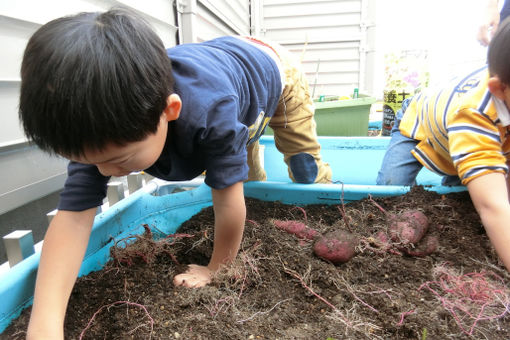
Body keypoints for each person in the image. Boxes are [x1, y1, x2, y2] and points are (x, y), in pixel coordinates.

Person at [19, 8, 332, 339]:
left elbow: (227, 202)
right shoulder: (101, 123)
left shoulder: (212, 113)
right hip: (227, 74)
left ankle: (323, 190)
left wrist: (216, 267)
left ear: (169, 111)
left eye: (118, 159)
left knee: (300, 164)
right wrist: (44, 326)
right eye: (88, 161)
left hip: (274, 72)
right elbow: (72, 219)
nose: (105, 172)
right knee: (243, 168)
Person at [377, 17, 510, 275]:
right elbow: (492, 206)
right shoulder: (475, 112)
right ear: (500, 88)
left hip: (471, 138)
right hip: (419, 124)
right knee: (389, 192)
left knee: (464, 203)